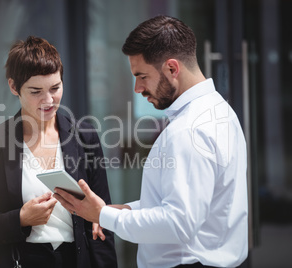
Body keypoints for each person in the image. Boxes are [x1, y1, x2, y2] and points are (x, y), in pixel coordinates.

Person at [54, 15, 248, 268]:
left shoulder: (188, 130)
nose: (137, 88)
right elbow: (181, 205)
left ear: (172, 69)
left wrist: (102, 215)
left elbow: (178, 223)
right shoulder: (220, 111)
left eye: (142, 76)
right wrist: (119, 211)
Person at [0, 36, 117, 268]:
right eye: (35, 91)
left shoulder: (85, 136)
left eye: (55, 88)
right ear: (14, 87)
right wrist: (20, 219)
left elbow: (103, 220)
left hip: (74, 260)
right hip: (17, 260)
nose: (49, 100)